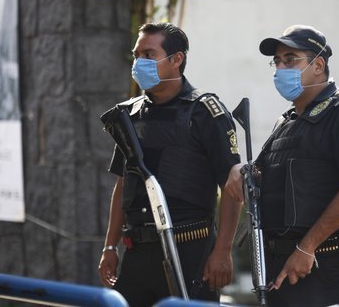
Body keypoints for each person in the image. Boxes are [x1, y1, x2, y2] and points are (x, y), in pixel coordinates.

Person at [225, 25, 339, 307]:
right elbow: (264, 178)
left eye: (290, 59)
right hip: (279, 267)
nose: (280, 68)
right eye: (277, 62)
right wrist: (241, 171)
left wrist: (306, 248)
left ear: (318, 65)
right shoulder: (287, 121)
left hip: (321, 264)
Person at [98, 22, 242, 307]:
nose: (139, 63)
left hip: (190, 251)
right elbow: (124, 183)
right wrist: (110, 246)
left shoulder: (204, 111)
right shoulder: (130, 114)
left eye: (149, 55)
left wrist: (222, 251)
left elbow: (232, 187)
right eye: (137, 55)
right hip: (136, 251)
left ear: (177, 59)